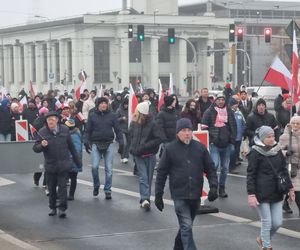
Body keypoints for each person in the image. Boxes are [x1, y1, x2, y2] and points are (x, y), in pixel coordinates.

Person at [155, 118, 218, 250]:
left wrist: (213, 187)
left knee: (186, 226)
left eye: (189, 130)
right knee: (186, 225)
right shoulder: (170, 149)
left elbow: (210, 168)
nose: (187, 133)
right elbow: (161, 173)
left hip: (195, 194)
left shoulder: (199, 147)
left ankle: (178, 247)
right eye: (184, 130)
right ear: (178, 133)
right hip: (179, 194)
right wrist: (158, 195)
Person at [247, 126, 294, 250]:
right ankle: (266, 247)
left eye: (273, 136)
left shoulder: (277, 150)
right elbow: (251, 174)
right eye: (268, 137)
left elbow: (284, 170)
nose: (272, 139)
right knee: (267, 222)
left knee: (278, 222)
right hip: (261, 193)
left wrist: (290, 189)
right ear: (262, 138)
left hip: (277, 191)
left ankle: (263, 239)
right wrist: (251, 194)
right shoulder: (255, 152)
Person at [32, 111, 82, 218]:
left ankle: (62, 208)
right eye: (49, 119)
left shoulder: (65, 129)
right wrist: (41, 145)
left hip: (64, 164)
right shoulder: (43, 132)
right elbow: (35, 148)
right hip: (51, 165)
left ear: (57, 120)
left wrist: (78, 162)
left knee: (63, 187)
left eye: (53, 119)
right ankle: (53, 207)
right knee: (52, 188)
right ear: (46, 121)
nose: (51, 121)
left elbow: (72, 147)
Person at [84, 97, 124, 199]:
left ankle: (107, 190)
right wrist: (86, 141)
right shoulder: (92, 116)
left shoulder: (112, 116)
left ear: (107, 105)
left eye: (105, 103)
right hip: (96, 143)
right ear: (98, 105)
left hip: (109, 143)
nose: (103, 105)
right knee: (94, 167)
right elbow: (88, 130)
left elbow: (118, 130)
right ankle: (96, 185)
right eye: (101, 103)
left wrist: (121, 142)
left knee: (109, 170)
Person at [201, 93, 237, 198]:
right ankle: (213, 186)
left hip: (226, 144)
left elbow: (233, 126)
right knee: (214, 165)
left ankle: (222, 187)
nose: (221, 101)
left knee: (225, 168)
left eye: (223, 99)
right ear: (215, 101)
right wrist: (211, 140)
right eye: (219, 99)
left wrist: (232, 140)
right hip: (214, 144)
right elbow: (204, 127)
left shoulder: (229, 111)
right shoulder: (209, 112)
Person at [129, 102, 161, 210]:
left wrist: (145, 146)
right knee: (143, 177)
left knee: (148, 178)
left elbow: (158, 139)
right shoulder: (134, 122)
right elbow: (131, 135)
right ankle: (145, 199)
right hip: (138, 155)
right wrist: (133, 148)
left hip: (150, 154)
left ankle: (146, 197)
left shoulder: (153, 124)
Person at [279, 115, 300, 216]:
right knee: (297, 190)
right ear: (290, 124)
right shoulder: (285, 137)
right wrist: (286, 152)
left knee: (293, 189)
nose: (295, 125)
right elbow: (277, 151)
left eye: (298, 123)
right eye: (294, 123)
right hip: (292, 168)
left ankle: (286, 204)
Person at [65, 118, 82, 201]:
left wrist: (72, 158)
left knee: (71, 177)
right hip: (71, 160)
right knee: (70, 178)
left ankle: (71, 195)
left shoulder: (74, 135)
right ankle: (68, 194)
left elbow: (77, 149)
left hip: (72, 160)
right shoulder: (72, 134)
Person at [229, 98, 246, 174]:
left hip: (239, 136)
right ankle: (231, 167)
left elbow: (243, 123)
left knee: (237, 150)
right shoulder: (229, 113)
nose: (237, 105)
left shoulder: (239, 113)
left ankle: (235, 161)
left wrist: (243, 132)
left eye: (237, 104)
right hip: (232, 137)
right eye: (235, 104)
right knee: (232, 152)